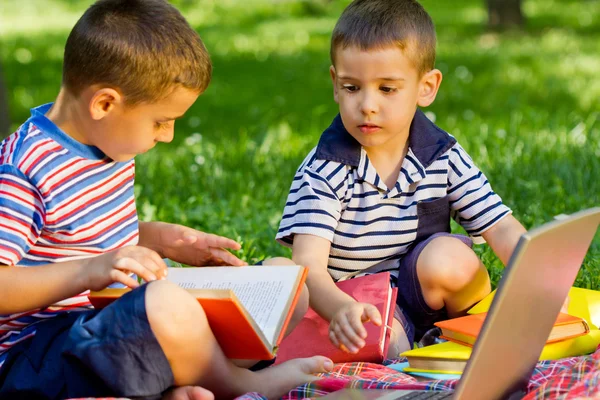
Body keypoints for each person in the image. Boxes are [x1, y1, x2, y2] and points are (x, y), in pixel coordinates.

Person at [0, 1, 332, 399]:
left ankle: (182, 380)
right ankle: (240, 385)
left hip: (113, 326)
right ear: (105, 104)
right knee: (164, 305)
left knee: (283, 279)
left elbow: (75, 237)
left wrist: (160, 240)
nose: (168, 135)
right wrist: (90, 271)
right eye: (160, 121)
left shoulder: (111, 144)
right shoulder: (25, 169)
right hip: (39, 354)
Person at [276, 0, 528, 358]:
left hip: (421, 294)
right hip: (353, 303)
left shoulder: (441, 154)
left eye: (387, 89)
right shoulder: (326, 168)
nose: (367, 105)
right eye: (352, 88)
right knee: (384, 342)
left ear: (426, 87)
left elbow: (500, 227)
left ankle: (468, 340)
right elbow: (308, 266)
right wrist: (340, 310)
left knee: (451, 258)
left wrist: (541, 284)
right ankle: (409, 356)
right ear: (335, 84)